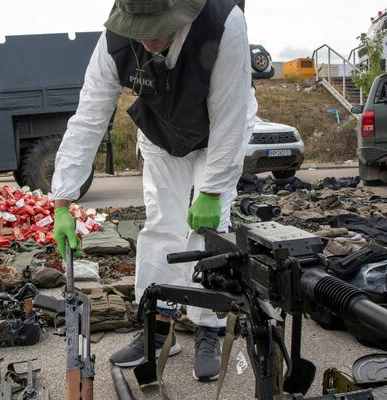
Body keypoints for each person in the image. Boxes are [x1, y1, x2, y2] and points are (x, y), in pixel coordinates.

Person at [51, 0, 257, 381]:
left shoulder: (224, 23)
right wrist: (62, 201)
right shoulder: (113, 44)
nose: (146, 38)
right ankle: (158, 326)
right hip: (162, 134)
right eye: (138, 27)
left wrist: (211, 191)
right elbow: (88, 119)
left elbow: (230, 113)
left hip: (217, 135)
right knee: (162, 223)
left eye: (158, 26)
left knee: (209, 230)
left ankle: (208, 327)